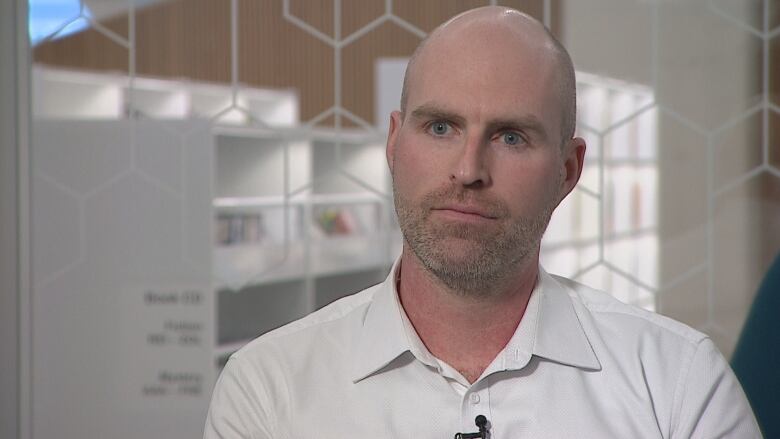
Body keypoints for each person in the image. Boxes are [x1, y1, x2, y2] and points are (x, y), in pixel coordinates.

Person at [204, 6, 760, 438]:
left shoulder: (676, 383)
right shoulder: (268, 388)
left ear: (568, 170)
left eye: (510, 137)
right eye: (441, 128)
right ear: (395, 143)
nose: (468, 171)